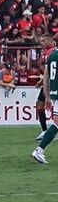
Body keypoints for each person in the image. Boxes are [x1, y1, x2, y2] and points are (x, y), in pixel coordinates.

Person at [32, 36, 58, 164]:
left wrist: (47, 96)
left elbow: (46, 76)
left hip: (54, 92)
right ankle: (39, 150)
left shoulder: (52, 55)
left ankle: (40, 150)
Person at [34, 35, 55, 140]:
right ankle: (44, 131)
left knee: (41, 105)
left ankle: (46, 131)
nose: (41, 43)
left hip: (52, 84)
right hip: (48, 83)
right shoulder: (47, 52)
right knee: (39, 105)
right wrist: (41, 81)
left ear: (50, 41)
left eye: (43, 41)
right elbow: (47, 72)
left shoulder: (51, 52)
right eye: (40, 40)